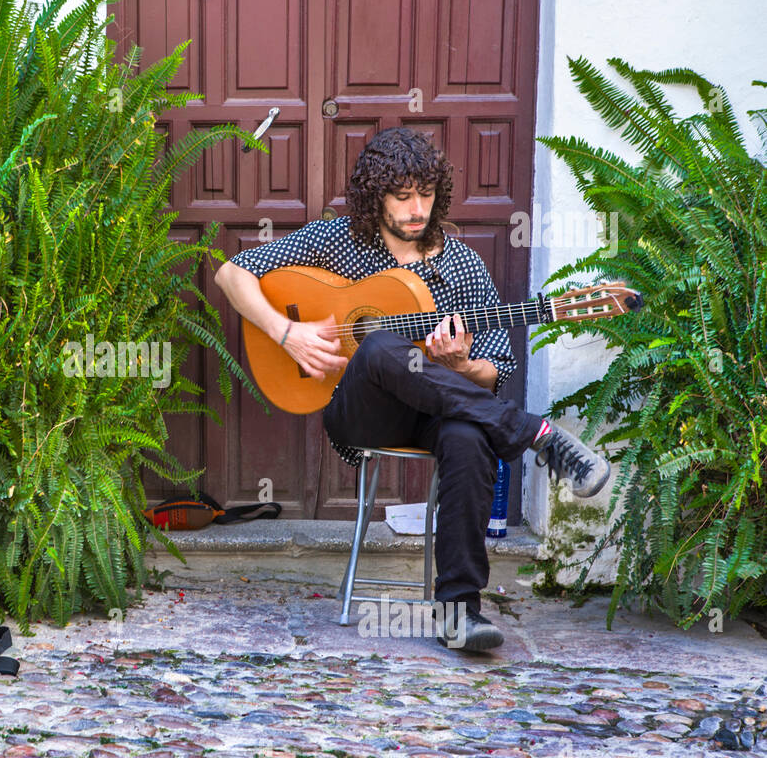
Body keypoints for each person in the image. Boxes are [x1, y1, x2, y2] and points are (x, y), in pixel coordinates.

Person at [213, 126, 610, 653]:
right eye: (402, 197)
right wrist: (287, 333)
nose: (416, 208)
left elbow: (498, 369)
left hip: (433, 413)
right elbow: (230, 275)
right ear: (376, 196)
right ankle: (534, 435)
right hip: (360, 412)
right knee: (378, 346)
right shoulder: (338, 240)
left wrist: (461, 364)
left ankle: (459, 612)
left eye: (425, 195)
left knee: (469, 437)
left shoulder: (462, 265)